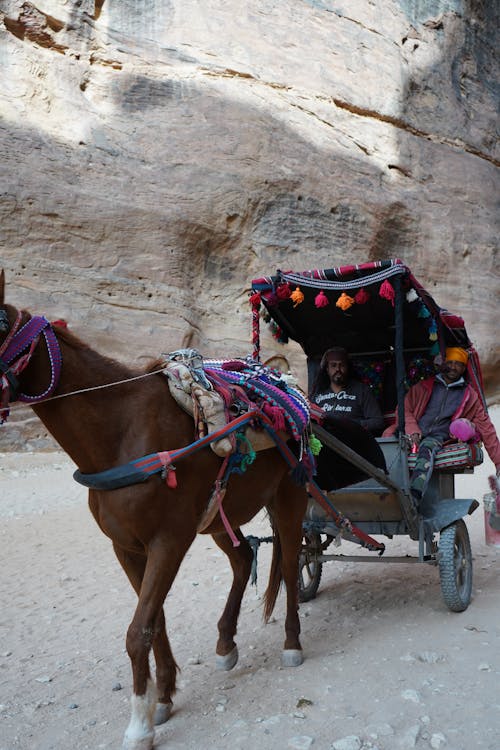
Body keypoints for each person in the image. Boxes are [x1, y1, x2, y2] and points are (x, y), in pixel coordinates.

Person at [384, 346, 500, 504]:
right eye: (450, 362)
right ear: (443, 364)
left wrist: (499, 463)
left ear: (464, 367)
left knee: (426, 450)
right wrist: (413, 431)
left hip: (438, 437)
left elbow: (486, 429)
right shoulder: (423, 386)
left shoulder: (469, 395)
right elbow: (403, 409)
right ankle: (385, 494)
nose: (453, 367)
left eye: (458, 363)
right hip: (413, 433)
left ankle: (413, 497)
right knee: (388, 444)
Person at [310, 347, 384, 435]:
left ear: (348, 367)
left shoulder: (362, 390)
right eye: (333, 365)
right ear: (327, 369)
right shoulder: (318, 393)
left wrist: (351, 425)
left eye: (342, 365)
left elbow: (378, 422)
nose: (338, 369)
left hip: (352, 445)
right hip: (326, 444)